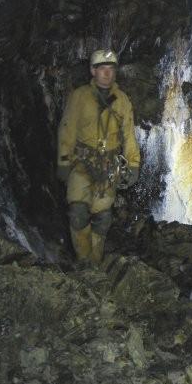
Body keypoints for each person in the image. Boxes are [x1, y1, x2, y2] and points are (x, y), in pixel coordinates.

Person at [56, 49, 140, 265]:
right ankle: (83, 258)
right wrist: (64, 161)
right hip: (82, 163)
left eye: (110, 68)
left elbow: (129, 135)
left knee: (102, 217)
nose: (107, 73)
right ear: (93, 71)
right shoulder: (80, 96)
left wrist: (133, 164)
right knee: (78, 211)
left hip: (108, 165)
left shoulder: (122, 100)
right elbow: (67, 129)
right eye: (102, 68)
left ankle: (94, 261)